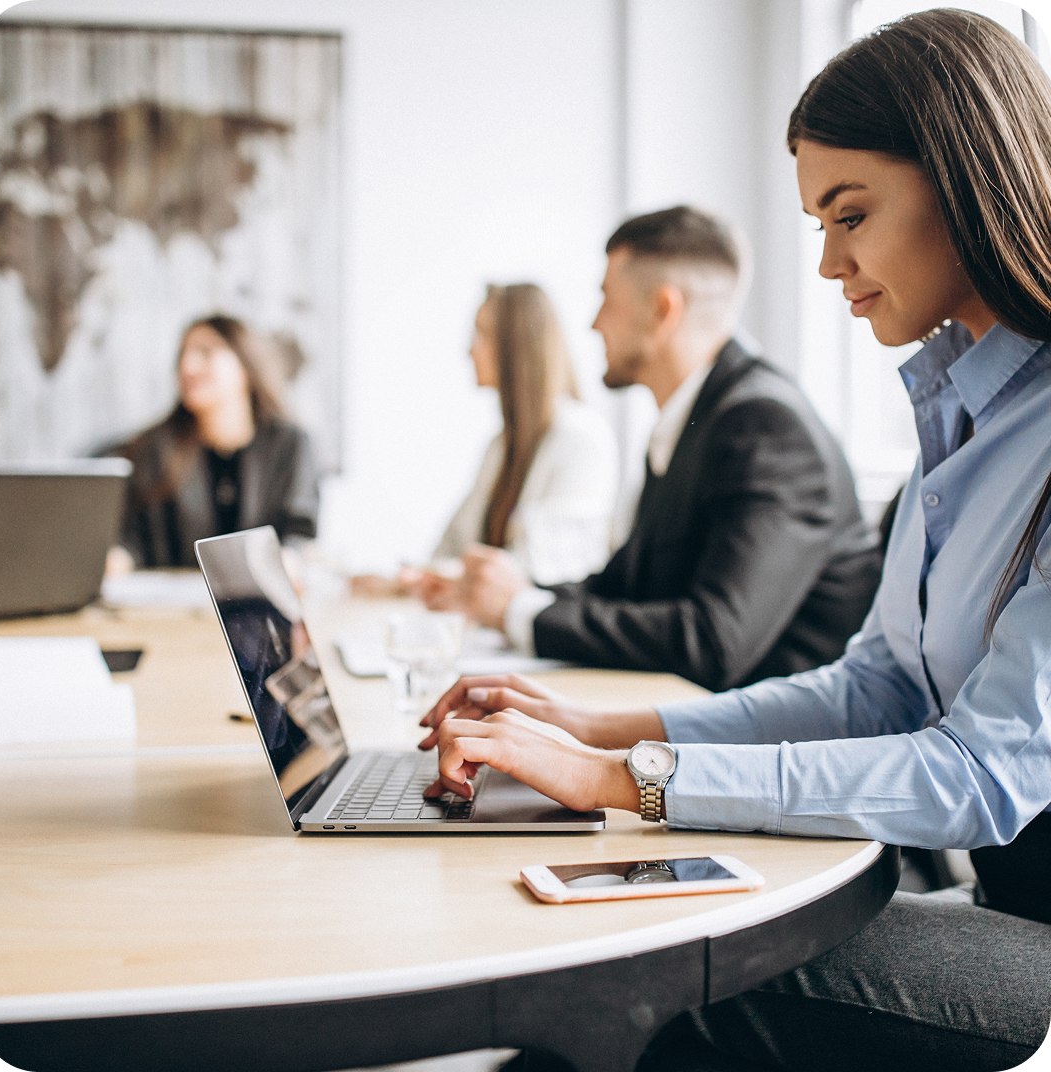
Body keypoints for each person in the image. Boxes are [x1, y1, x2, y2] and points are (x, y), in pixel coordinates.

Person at [420, 10, 1051, 1069]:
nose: (828, 263)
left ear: (966, 180)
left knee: (653, 978)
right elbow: (877, 686)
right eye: (817, 223)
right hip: (1001, 902)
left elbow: (979, 778)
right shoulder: (958, 415)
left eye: (851, 214)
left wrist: (622, 779)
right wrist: (600, 728)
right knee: (615, 947)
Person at [454, 207, 881, 690]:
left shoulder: (767, 428)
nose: (594, 324)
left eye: (606, 300)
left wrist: (519, 612)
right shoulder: (696, 417)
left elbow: (715, 641)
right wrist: (513, 592)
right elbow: (625, 588)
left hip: (782, 745)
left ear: (663, 310)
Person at [353, 283, 618, 597]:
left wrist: (427, 577)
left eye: (482, 333)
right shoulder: (501, 446)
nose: (469, 349)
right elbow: (452, 546)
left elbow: (539, 567)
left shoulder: (581, 439)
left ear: (516, 345)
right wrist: (404, 580)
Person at [107, 314, 318, 570]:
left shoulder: (290, 445)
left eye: (205, 352)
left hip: (255, 601)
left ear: (245, 364)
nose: (187, 366)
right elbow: (134, 538)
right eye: (183, 355)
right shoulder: (152, 448)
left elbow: (299, 531)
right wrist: (118, 558)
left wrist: (290, 559)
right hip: (168, 604)